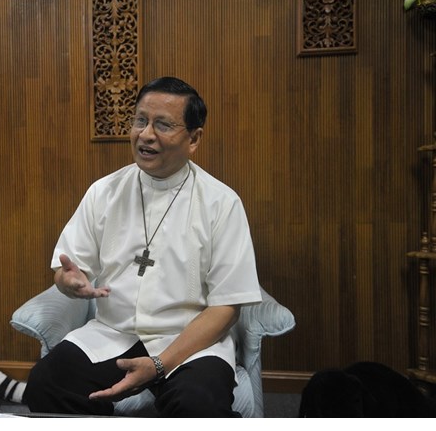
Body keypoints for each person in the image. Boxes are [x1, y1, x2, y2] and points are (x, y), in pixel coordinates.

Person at [23, 76, 262, 417]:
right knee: (46, 384)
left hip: (190, 343)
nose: (146, 134)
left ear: (194, 138)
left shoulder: (222, 203)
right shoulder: (103, 192)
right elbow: (69, 268)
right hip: (113, 334)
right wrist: (69, 282)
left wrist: (160, 365)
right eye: (140, 120)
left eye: (163, 125)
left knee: (199, 404)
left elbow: (227, 307)